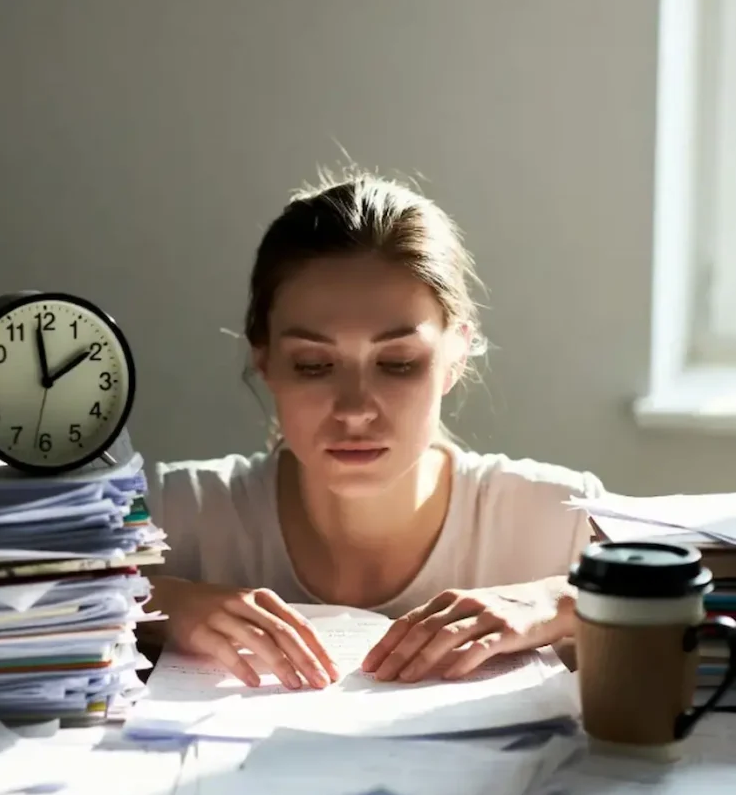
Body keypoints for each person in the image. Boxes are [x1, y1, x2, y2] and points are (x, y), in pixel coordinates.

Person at [148, 171, 603, 691]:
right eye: (314, 365)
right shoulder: (176, 515)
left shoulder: (562, 519)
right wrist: (157, 601)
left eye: (398, 363)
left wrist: (557, 600)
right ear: (265, 360)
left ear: (455, 355)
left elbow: (706, 596)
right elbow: (40, 592)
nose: (355, 410)